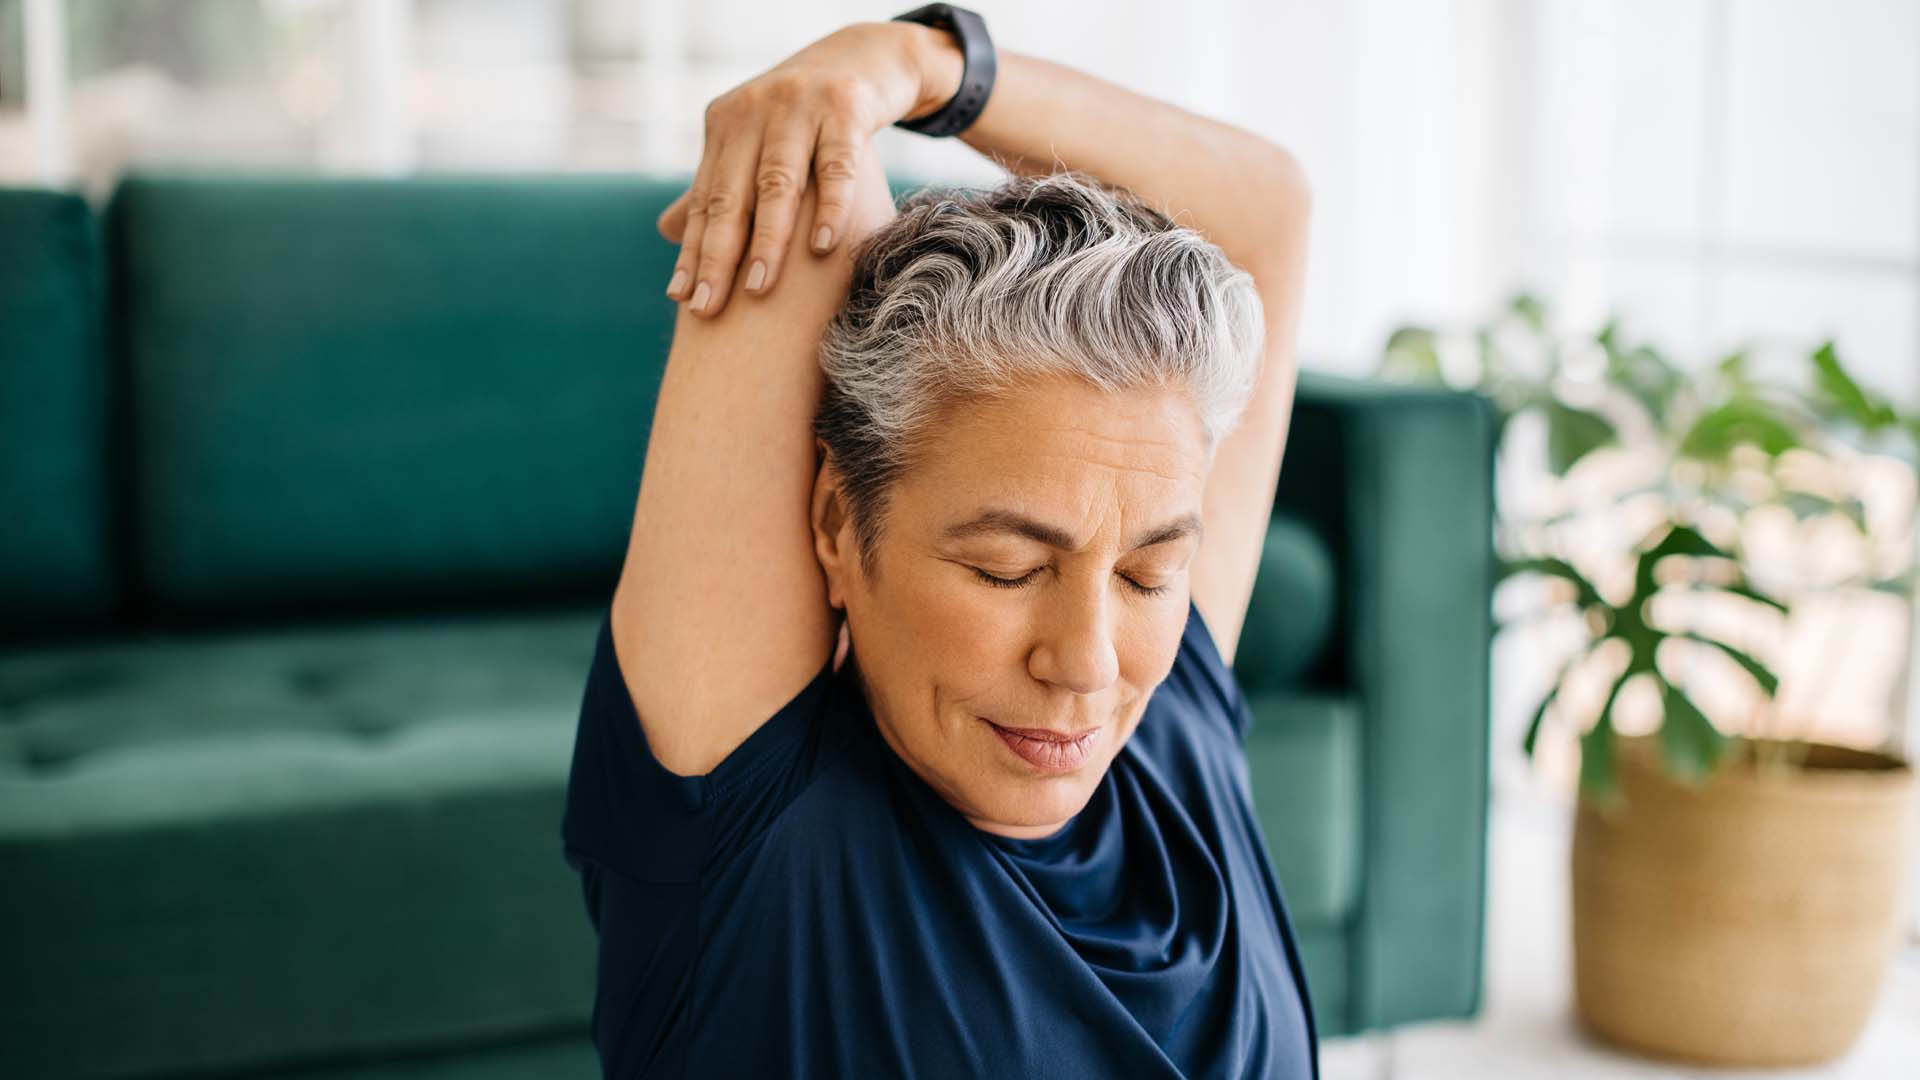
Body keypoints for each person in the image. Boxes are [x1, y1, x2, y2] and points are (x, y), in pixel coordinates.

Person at [561, 10, 1315, 1077]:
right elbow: (819, 177)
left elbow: (1267, 212)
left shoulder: (1174, 724)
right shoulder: (757, 836)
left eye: (1149, 573)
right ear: (838, 524)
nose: (1088, 663)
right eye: (1009, 569)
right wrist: (851, 80)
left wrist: (924, 63)